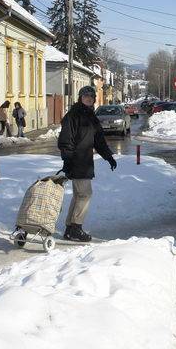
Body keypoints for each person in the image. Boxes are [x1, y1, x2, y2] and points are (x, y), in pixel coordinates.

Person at [57, 85, 117, 242]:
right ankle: (76, 227)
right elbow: (65, 140)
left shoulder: (91, 117)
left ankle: (70, 228)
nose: (89, 99)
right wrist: (67, 159)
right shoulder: (73, 116)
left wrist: (108, 157)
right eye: (85, 96)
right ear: (80, 98)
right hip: (76, 161)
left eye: (91, 97)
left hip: (86, 162)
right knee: (85, 194)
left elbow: (99, 141)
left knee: (79, 195)